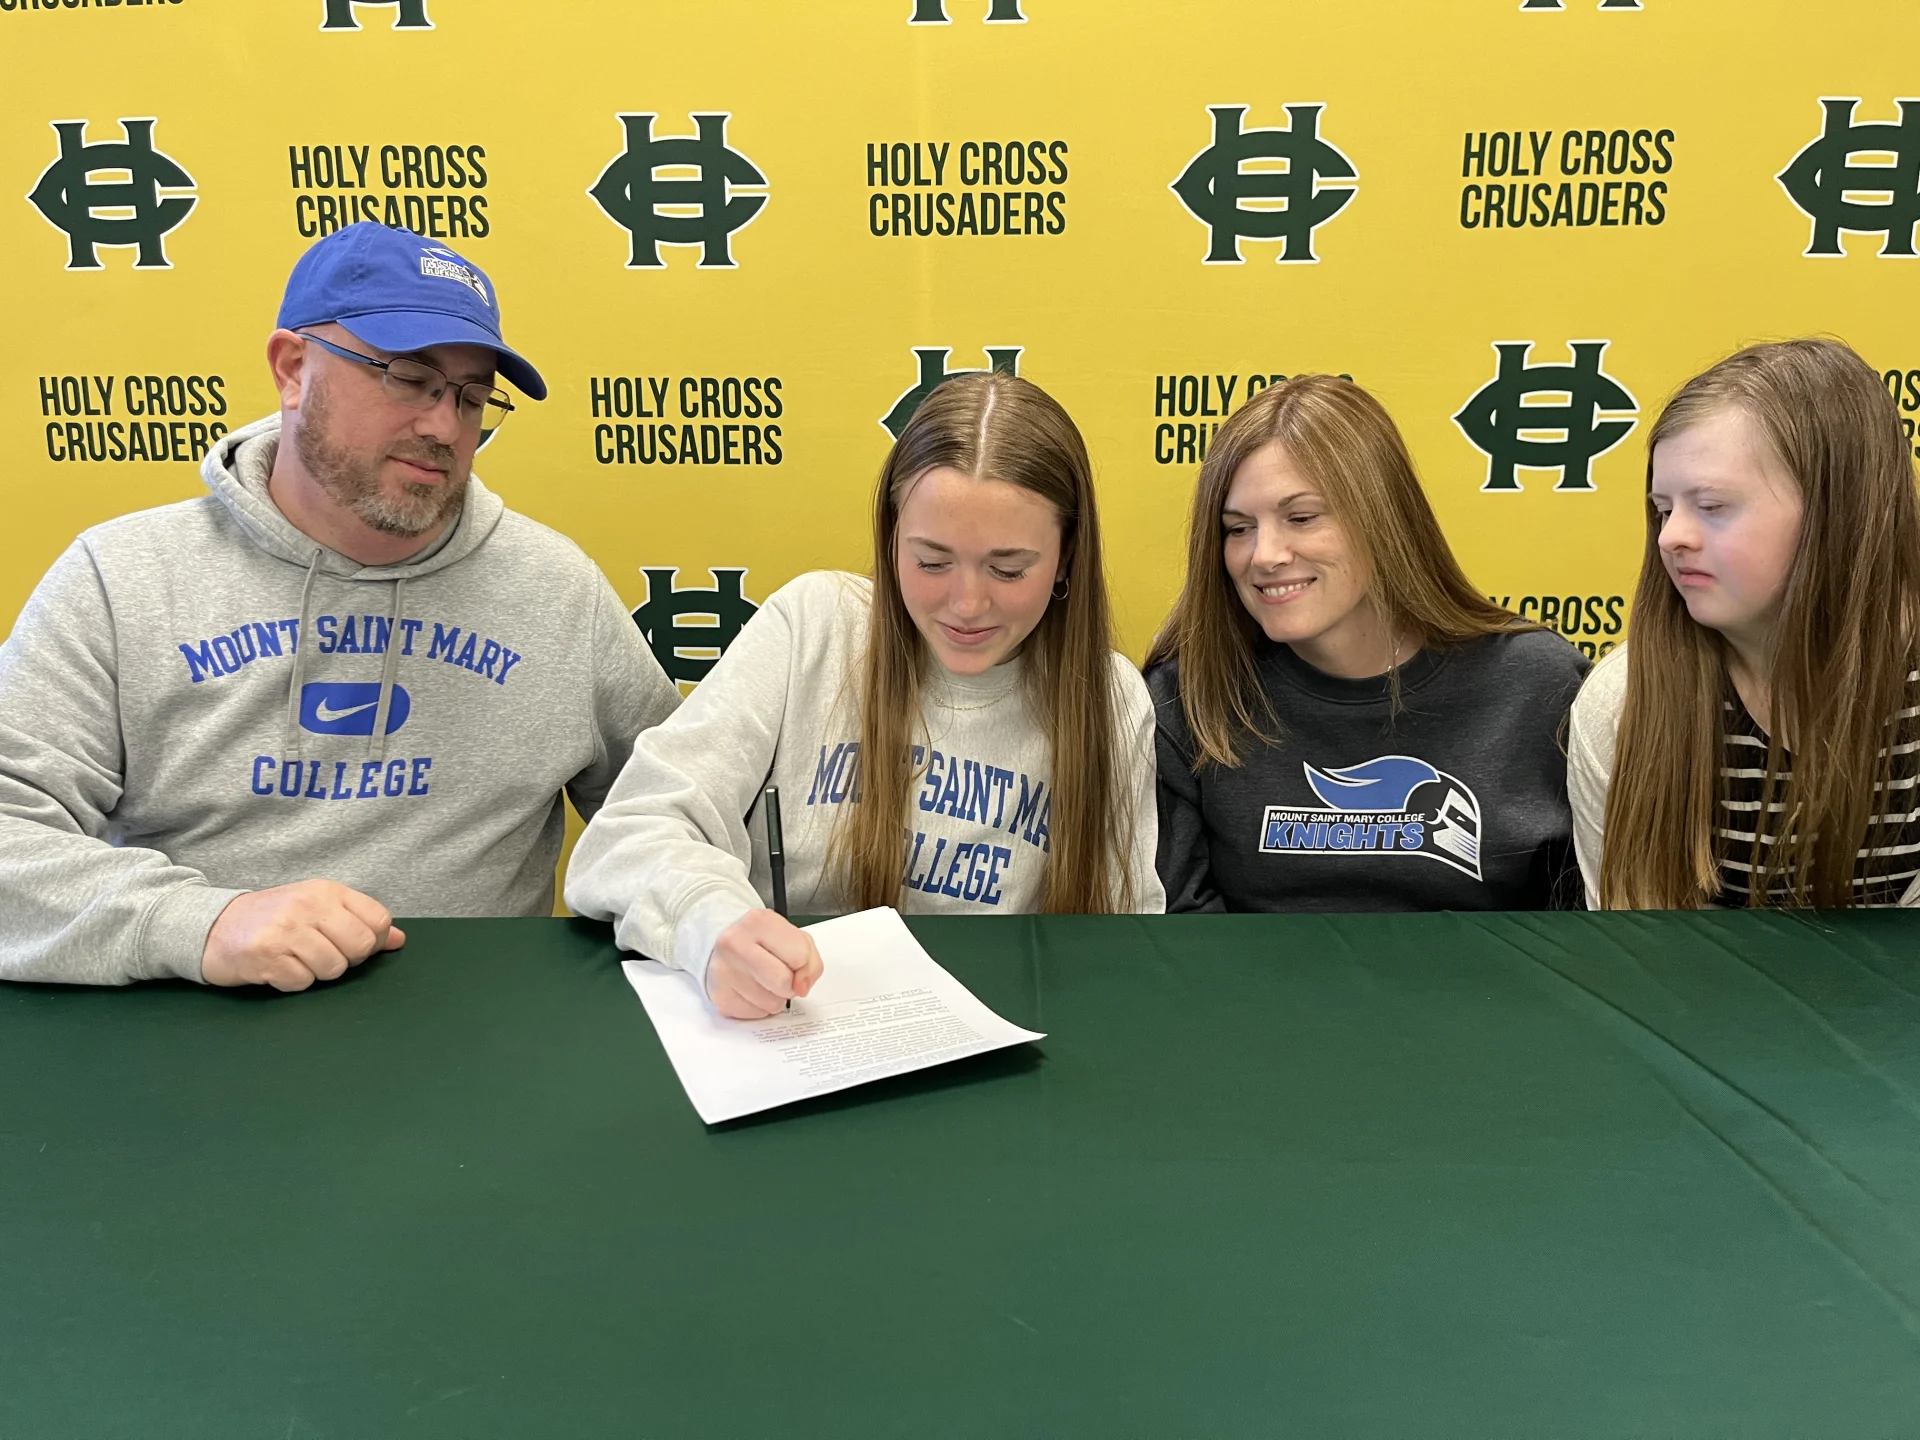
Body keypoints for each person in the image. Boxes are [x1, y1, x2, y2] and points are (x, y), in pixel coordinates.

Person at [0, 223, 679, 991]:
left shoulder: (557, 590)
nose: (443, 427)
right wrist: (199, 924)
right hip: (194, 1021)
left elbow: (678, 813)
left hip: (478, 1026)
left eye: (472, 398)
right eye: (408, 378)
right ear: (293, 369)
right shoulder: (122, 579)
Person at [566, 372, 1163, 1018]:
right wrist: (708, 921)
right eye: (931, 562)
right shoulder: (813, 626)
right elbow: (629, 833)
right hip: (792, 1031)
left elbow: (1125, 947)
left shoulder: (1110, 699)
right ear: (892, 536)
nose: (967, 604)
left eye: (1008, 569)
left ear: (1067, 556)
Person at [1146, 375, 1587, 913]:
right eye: (1238, 529)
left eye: (1301, 518)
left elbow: (1590, 921)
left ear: (1383, 517)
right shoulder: (1187, 697)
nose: (1264, 555)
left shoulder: (1539, 684)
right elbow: (1181, 932)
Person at [1570, 338, 1920, 909]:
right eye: (1663, 509)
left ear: (1840, 509)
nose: (1671, 537)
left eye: (1712, 506)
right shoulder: (1622, 702)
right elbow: (1638, 947)